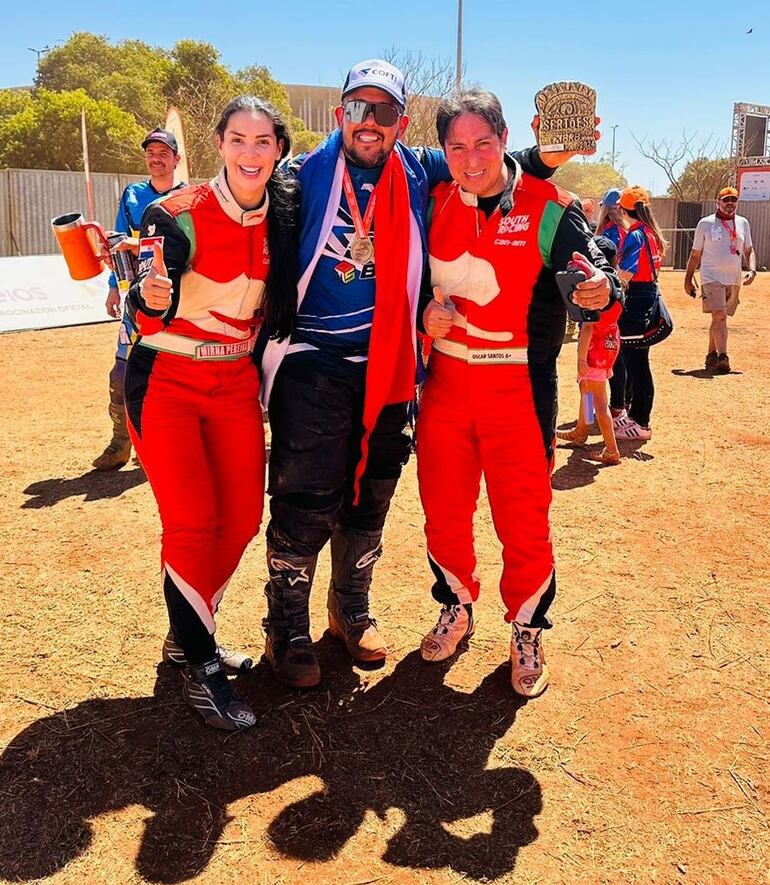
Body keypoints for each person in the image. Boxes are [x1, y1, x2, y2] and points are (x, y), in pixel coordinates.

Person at [258, 59, 575, 690]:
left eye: (383, 112)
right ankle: (286, 628)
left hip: (391, 368)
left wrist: (546, 156)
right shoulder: (298, 178)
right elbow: (236, 213)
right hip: (314, 365)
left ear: (402, 123)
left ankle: (350, 610)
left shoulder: (420, 170)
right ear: (337, 114)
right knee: (307, 498)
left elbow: (486, 166)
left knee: (373, 495)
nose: (369, 122)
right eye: (357, 108)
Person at [416, 89, 619, 697]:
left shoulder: (547, 206)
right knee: (444, 510)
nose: (471, 157)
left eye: (483, 143)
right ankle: (456, 604)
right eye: (457, 145)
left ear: (505, 141)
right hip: (446, 387)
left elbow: (599, 272)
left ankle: (527, 627)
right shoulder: (432, 200)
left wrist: (601, 290)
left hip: (517, 388)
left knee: (523, 519)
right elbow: (401, 281)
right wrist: (424, 316)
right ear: (444, 149)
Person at [124, 97, 298, 731]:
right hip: (167, 377)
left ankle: (187, 632)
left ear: (278, 149)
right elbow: (138, 314)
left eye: (262, 142)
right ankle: (201, 666)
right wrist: (149, 298)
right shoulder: (174, 213)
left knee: (243, 520)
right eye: (238, 140)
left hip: (234, 382)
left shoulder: (284, 214)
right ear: (219, 144)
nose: (250, 153)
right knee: (193, 522)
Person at [93, 129, 186, 471]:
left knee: (170, 376)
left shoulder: (189, 196)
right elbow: (118, 242)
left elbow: (190, 249)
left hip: (177, 302)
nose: (156, 158)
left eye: (164, 152)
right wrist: (113, 287)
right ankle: (120, 443)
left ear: (177, 159)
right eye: (151, 152)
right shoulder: (133, 194)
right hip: (135, 298)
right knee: (121, 374)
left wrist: (142, 245)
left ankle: (161, 443)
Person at [557, 235, 623, 465]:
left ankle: (611, 450)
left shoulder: (592, 293)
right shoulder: (613, 288)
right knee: (587, 391)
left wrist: (580, 360)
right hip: (609, 347)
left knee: (599, 401)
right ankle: (581, 430)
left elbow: (586, 329)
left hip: (594, 352)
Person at [611, 185, 667, 441]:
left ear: (623, 209)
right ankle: (636, 417)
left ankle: (641, 423)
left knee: (638, 365)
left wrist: (609, 285)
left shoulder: (635, 235)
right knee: (639, 362)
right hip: (648, 295)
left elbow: (626, 274)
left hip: (636, 300)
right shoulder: (651, 233)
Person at [683, 186, 756, 373]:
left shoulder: (743, 223)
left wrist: (752, 269)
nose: (730, 203)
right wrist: (688, 278)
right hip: (711, 277)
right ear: (718, 202)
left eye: (733, 200)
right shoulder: (705, 224)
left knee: (719, 319)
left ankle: (711, 354)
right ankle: (724, 357)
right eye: (726, 200)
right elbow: (695, 254)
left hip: (733, 278)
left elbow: (748, 250)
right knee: (720, 316)